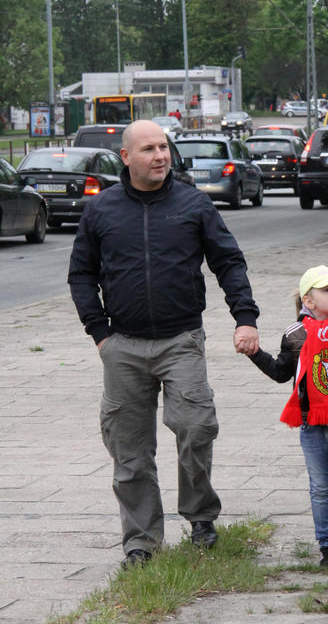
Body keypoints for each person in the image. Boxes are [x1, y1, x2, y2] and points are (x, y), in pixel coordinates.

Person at [68, 119, 260, 568]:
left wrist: (245, 318)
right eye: (149, 149)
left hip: (181, 340)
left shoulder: (194, 204)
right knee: (129, 448)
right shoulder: (102, 210)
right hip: (123, 346)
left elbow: (228, 262)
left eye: (164, 147)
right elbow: (81, 273)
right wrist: (99, 333)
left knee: (196, 427)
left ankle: (200, 517)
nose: (160, 155)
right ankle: (141, 540)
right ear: (127, 157)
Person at [249, 265, 328, 568]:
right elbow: (282, 373)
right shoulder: (294, 335)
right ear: (308, 301)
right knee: (320, 487)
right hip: (311, 424)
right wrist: (255, 354)